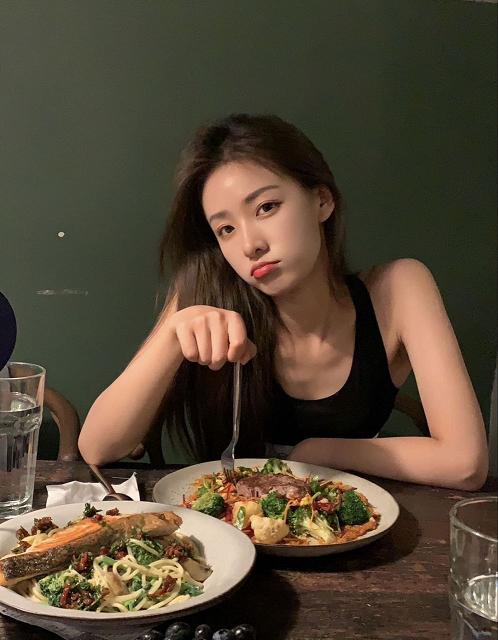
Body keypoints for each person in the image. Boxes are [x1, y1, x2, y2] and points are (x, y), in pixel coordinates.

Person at [78, 113, 488, 490]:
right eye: (225, 229)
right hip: (222, 531)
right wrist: (172, 336)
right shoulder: (206, 296)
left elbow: (465, 463)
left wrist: (318, 452)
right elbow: (97, 447)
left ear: (321, 200)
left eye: (266, 207)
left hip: (348, 528)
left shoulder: (397, 289)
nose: (250, 245)